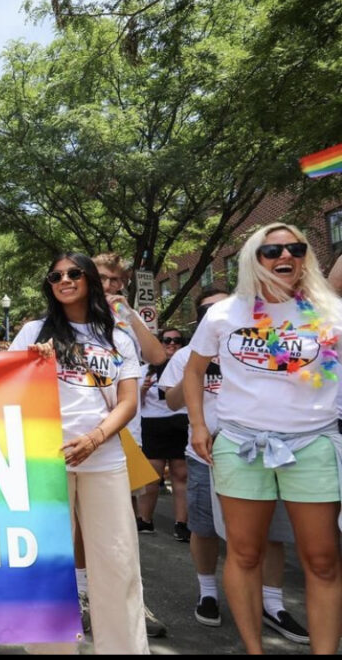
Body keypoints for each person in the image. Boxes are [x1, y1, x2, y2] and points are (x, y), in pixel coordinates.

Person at [184, 222, 342, 654]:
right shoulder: (224, 314)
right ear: (253, 258)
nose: (284, 257)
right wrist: (200, 426)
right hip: (241, 444)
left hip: (313, 443)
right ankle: (254, 649)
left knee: (323, 560)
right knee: (245, 553)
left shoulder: (331, 312)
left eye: (295, 248)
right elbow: (193, 371)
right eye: (272, 251)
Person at [10, 252, 149, 654]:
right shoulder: (33, 331)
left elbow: (128, 401)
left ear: (88, 278)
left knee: (117, 564)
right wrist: (27, 365)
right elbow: (4, 385)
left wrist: (94, 439)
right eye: (55, 275)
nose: (64, 280)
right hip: (44, 462)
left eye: (73, 273)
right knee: (48, 566)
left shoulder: (117, 337)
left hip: (105, 460)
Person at [161, 287, 309, 644]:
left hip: (264, 453)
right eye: (213, 309)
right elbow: (170, 402)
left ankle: (272, 604)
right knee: (205, 528)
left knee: (271, 532)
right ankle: (208, 591)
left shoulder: (265, 343)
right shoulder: (185, 356)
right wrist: (198, 368)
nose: (225, 313)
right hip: (206, 456)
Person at [81, 252, 167, 638]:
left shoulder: (124, 326)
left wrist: (129, 314)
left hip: (124, 435)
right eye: (104, 278)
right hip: (78, 437)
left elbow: (157, 355)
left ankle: (130, 600)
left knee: (122, 527)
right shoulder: (66, 318)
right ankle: (84, 595)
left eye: (117, 280)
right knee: (80, 526)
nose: (111, 286)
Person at [136, 327, 190, 541]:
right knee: (151, 477)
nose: (171, 344)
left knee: (181, 475)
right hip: (153, 424)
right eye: (166, 340)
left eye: (177, 340)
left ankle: (182, 523)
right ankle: (145, 519)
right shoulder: (142, 371)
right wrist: (142, 389)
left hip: (180, 421)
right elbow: (133, 406)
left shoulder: (188, 367)